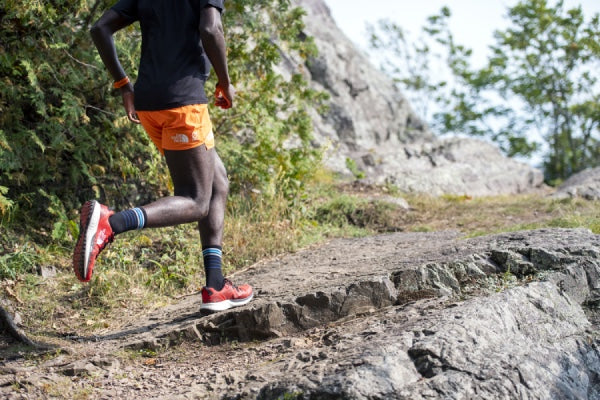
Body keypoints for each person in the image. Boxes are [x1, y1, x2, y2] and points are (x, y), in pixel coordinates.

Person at [74, 0, 253, 312]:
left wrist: (123, 86)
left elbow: (100, 28)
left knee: (218, 182)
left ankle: (216, 285)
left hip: (148, 104)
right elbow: (211, 29)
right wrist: (225, 82)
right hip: (183, 105)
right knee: (197, 200)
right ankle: (111, 222)